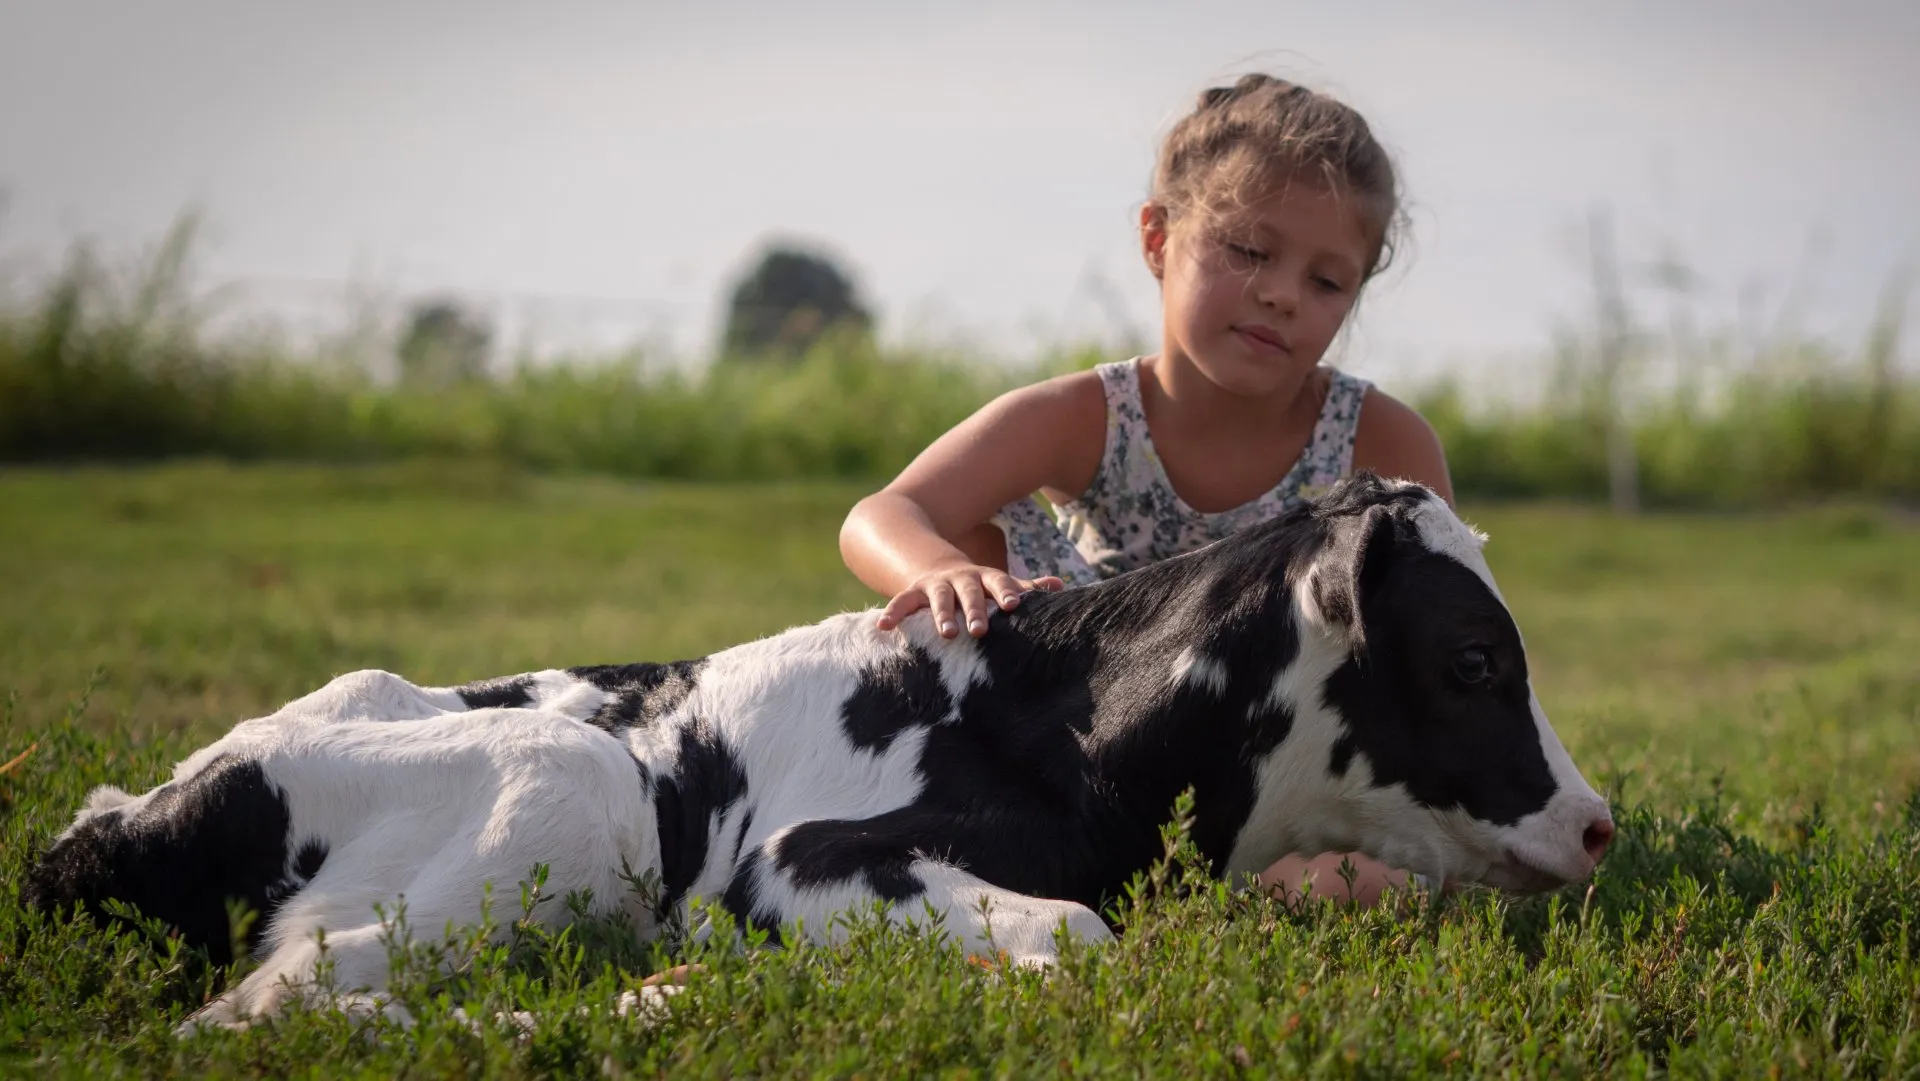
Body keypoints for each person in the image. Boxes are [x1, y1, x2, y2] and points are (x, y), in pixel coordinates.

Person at [838, 73, 1453, 909]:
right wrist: (943, 568)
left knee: (1385, 882)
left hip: (1269, 763)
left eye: (1326, 282)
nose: (1282, 294)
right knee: (979, 543)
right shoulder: (1091, 415)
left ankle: (1202, 877)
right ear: (1159, 237)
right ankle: (1068, 853)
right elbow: (884, 513)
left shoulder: (1380, 441)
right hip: (1088, 741)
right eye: (1248, 250)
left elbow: (1440, 647)